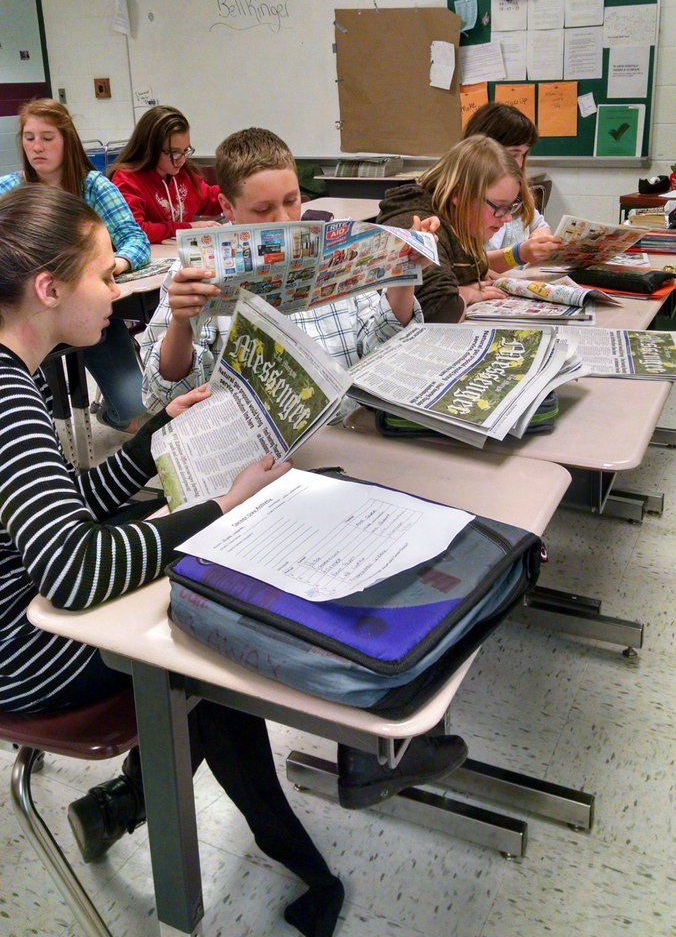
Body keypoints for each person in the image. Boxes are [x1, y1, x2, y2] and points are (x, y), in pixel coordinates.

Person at [0, 184, 345, 937]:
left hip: (22, 616)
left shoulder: (9, 376)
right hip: (22, 657)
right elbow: (73, 569)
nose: (117, 291)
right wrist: (218, 513)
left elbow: (63, 503)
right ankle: (295, 861)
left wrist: (156, 441)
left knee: (194, 604)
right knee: (207, 658)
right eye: (105, 275)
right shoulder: (9, 399)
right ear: (49, 289)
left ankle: (130, 801)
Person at [140, 126, 468, 808]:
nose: (285, 219)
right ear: (228, 211)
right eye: (263, 212)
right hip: (245, 474)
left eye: (292, 201)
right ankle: (369, 743)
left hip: (333, 456)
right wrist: (180, 323)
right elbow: (161, 393)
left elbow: (379, 347)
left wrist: (400, 283)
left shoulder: (326, 255)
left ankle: (376, 740)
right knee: (346, 557)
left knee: (393, 538)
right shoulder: (195, 276)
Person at [0, 98, 149, 432]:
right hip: (29, 317)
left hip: (85, 309)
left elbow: (135, 239)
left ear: (67, 141)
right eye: (29, 137)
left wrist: (108, 269)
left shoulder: (93, 186)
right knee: (31, 416)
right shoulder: (10, 189)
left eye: (47, 138)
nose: (36, 147)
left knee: (134, 411)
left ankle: (108, 413)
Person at [377, 135, 525, 321]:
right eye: (499, 206)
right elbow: (438, 311)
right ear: (459, 195)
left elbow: (470, 271)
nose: (507, 217)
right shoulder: (421, 224)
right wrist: (468, 293)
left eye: (510, 206)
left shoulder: (461, 218)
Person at [463, 102, 562, 270]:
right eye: (513, 154)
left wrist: (541, 239)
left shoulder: (518, 190)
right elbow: (466, 266)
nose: (519, 163)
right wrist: (518, 254)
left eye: (523, 154)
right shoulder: (467, 201)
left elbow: (538, 224)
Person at [109, 105, 223, 242]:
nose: (182, 159)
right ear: (150, 149)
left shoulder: (182, 174)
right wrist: (188, 227)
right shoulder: (127, 179)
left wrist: (238, 190)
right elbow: (136, 231)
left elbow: (209, 198)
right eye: (173, 152)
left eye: (186, 150)